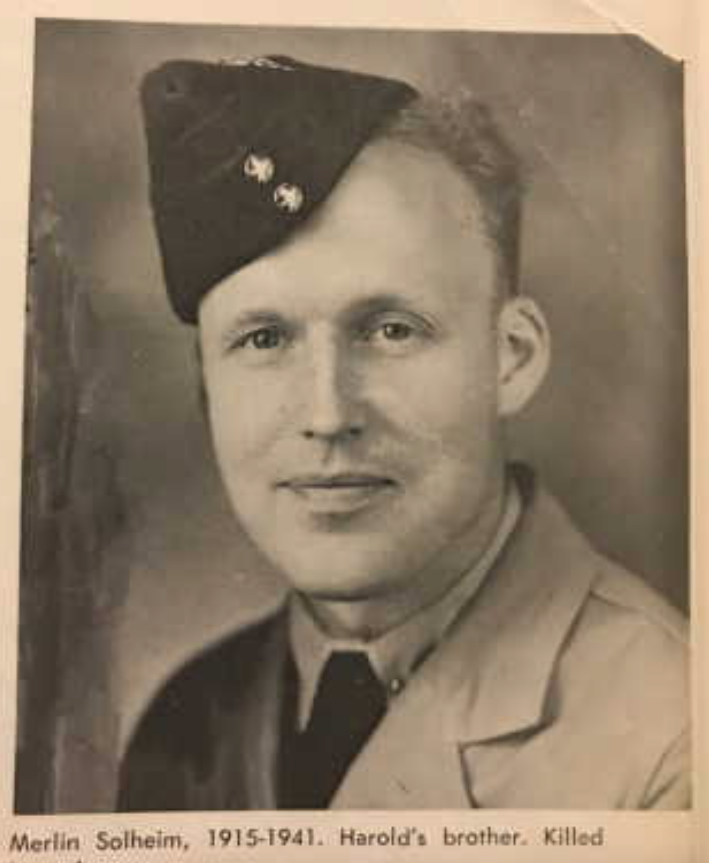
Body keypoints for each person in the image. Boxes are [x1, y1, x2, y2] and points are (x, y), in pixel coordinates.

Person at [117, 55, 689, 810]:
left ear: (511, 358)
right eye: (264, 339)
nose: (327, 414)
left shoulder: (670, 734)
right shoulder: (184, 726)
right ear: (206, 389)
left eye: (391, 330)